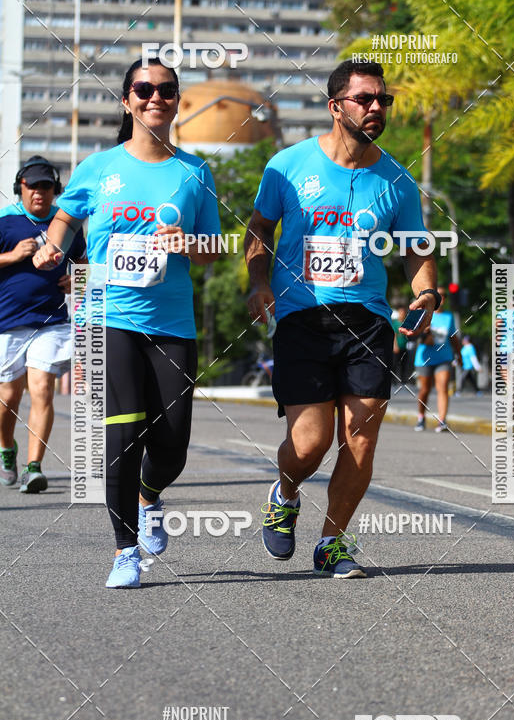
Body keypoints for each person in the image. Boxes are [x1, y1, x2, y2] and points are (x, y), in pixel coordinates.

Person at [244, 59, 438, 578]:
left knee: (362, 436)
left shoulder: (396, 177)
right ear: (335, 107)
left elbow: (416, 248)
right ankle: (284, 491)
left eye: (383, 100)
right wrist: (258, 282)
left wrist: (426, 292)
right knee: (310, 444)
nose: (377, 107)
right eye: (364, 99)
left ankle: (332, 541)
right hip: (303, 316)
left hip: (369, 319)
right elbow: (259, 228)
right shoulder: (287, 165)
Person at [33, 58, 221, 588]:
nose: (154, 96)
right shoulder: (98, 167)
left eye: (165, 89)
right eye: (143, 88)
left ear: (177, 101)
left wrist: (190, 243)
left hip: (171, 322)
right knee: (120, 435)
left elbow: (213, 248)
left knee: (172, 441)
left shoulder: (194, 172)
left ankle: (149, 496)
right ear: (126, 99)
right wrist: (53, 247)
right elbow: (68, 215)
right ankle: (124, 551)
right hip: (105, 314)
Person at [0, 156, 86, 492]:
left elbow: (84, 264)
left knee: (41, 389)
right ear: (20, 188)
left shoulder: (66, 225)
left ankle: (34, 467)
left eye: (46, 187)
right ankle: (7, 448)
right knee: (8, 397)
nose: (39, 193)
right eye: (32, 186)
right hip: (7, 324)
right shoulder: (5, 224)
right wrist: (12, 256)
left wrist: (78, 279)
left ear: (56, 190)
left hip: (51, 323)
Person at [413, 287, 462, 432]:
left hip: (444, 357)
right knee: (425, 390)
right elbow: (410, 334)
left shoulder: (449, 316)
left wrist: (459, 355)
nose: (442, 298)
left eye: (444, 295)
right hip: (424, 358)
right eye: (439, 295)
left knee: (443, 387)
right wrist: (423, 334)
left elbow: (453, 337)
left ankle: (442, 420)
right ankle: (421, 417)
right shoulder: (423, 313)